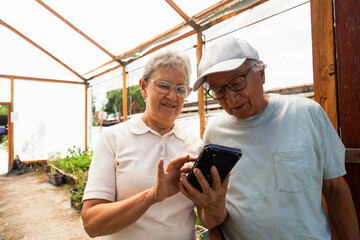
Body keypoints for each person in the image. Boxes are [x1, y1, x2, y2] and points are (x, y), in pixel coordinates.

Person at [179, 36, 360, 239]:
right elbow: (212, 217)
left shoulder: (307, 114)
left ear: (262, 73)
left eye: (237, 83)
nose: (230, 98)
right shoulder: (215, 130)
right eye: (218, 90)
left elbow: (335, 188)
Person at [81, 51, 203, 239]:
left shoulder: (195, 145)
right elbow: (92, 224)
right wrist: (151, 196)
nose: (172, 96)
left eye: (180, 89)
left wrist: (214, 201)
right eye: (164, 86)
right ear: (144, 87)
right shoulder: (113, 138)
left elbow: (206, 216)